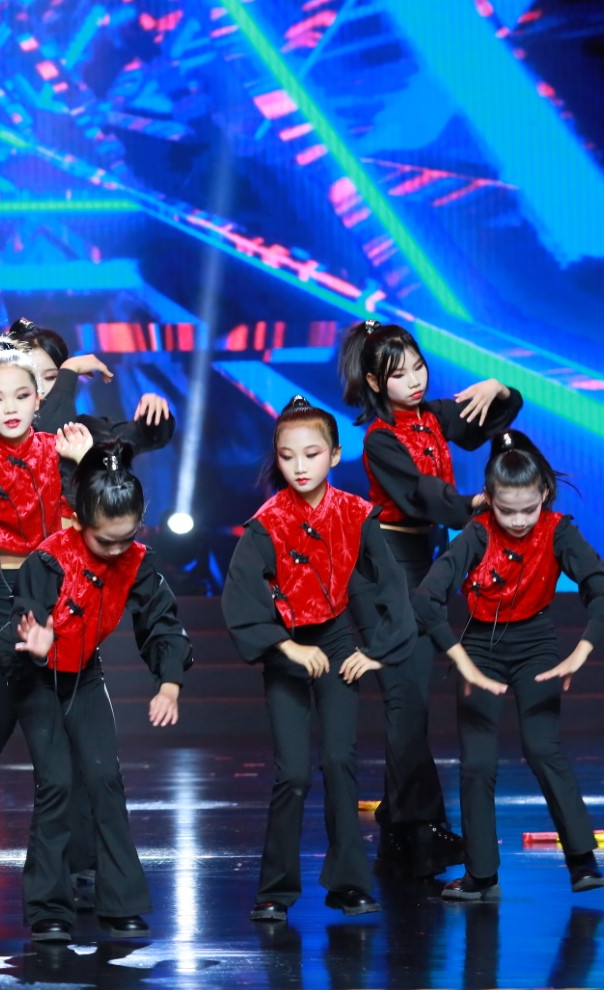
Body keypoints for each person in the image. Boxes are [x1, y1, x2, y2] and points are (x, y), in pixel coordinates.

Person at [340, 319, 522, 876]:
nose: (415, 380)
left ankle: (403, 829)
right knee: (407, 700)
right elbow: (420, 496)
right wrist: (472, 504)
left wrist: (500, 388)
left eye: (418, 367)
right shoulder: (379, 439)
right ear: (376, 382)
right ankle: (419, 829)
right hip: (387, 566)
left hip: (422, 561)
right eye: (400, 375)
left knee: (412, 703)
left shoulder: (434, 416)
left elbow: (493, 418)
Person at [222, 398, 414, 923]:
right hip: (286, 647)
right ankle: (275, 890)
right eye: (287, 457)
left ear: (335, 454)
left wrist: (375, 652)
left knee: (339, 762)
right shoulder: (267, 523)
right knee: (292, 773)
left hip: (335, 641)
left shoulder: (356, 513)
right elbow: (241, 597)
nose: (300, 467)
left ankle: (348, 884)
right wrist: (286, 648)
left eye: (311, 454)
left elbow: (392, 585)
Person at [9, 441, 192, 942]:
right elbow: (24, 614)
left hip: (85, 676)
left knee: (105, 779)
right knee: (57, 784)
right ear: (79, 520)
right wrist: (37, 642)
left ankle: (120, 901)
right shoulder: (49, 559)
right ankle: (48, 908)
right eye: (104, 541)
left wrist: (169, 683)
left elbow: (162, 623)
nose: (116, 551)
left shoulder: (137, 561)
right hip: (38, 678)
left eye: (125, 538)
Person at [413, 431, 604, 901]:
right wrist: (461, 661)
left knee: (543, 748)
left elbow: (599, 587)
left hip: (537, 643)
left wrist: (581, 652)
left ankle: (583, 862)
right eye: (506, 510)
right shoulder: (477, 534)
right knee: (477, 763)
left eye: (528, 509)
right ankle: (482, 876)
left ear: (544, 494)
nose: (518, 521)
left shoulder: (559, 531)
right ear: (489, 498)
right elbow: (426, 598)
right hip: (480, 646)